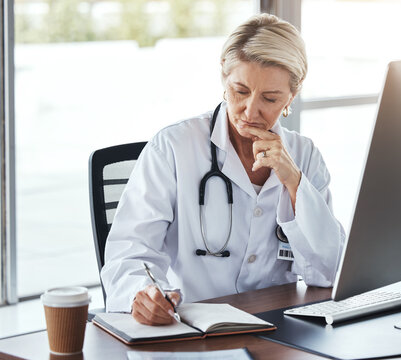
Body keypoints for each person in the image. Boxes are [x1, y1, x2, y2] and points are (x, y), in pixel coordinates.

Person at [100, 13, 346, 325]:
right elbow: (130, 253)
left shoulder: (306, 155)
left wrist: (294, 181)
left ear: (291, 97)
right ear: (223, 77)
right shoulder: (174, 147)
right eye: (240, 91)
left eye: (270, 98)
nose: (250, 110)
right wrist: (144, 293)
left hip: (280, 327)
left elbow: (327, 271)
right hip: (193, 327)